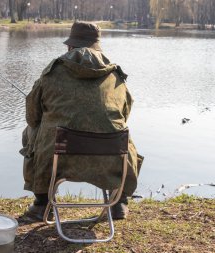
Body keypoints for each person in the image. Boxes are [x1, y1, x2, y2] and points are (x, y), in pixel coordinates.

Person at [20, 21, 143, 221]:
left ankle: (42, 204)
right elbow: (125, 113)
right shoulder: (116, 77)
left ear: (70, 46)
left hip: (58, 157)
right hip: (110, 157)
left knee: (31, 131)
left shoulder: (52, 73)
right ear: (97, 46)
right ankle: (119, 203)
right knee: (121, 131)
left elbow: (32, 117)